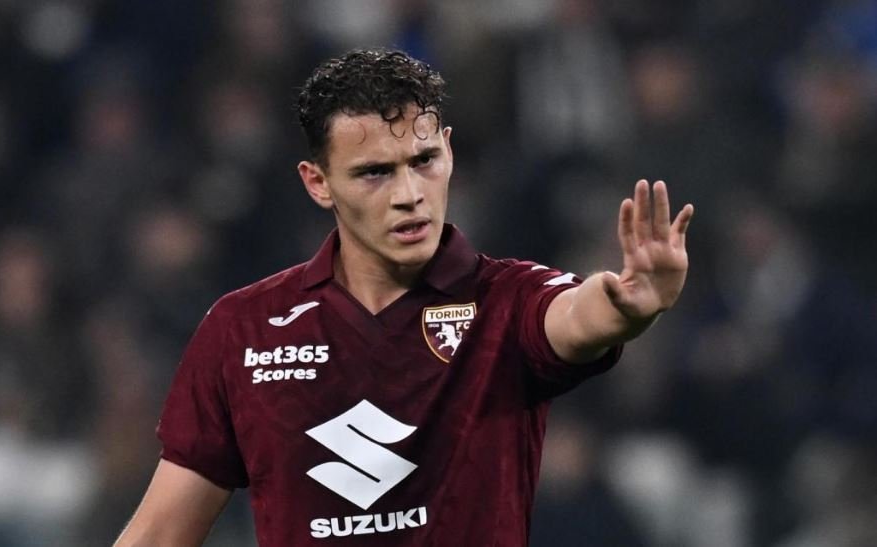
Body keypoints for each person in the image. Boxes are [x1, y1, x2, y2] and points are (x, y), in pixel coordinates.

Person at [114, 48, 693, 546]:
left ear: (449, 152)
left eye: (424, 161)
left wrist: (626, 307)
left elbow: (575, 317)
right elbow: (161, 533)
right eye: (375, 173)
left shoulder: (507, 300)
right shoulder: (245, 329)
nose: (410, 193)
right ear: (318, 182)